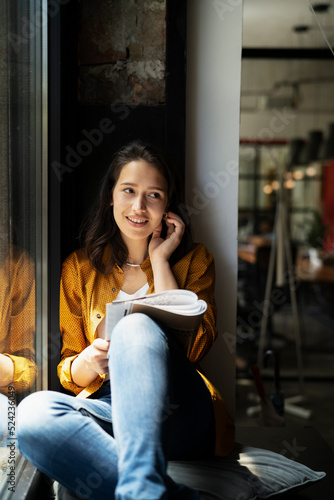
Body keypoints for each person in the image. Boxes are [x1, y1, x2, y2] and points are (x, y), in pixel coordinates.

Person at [17, 140, 234, 500]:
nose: (139, 206)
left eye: (154, 195)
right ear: (110, 198)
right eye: (129, 191)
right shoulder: (79, 268)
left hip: (180, 407)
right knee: (33, 415)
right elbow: (68, 373)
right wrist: (88, 361)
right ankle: (150, 492)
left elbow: (195, 348)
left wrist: (161, 260)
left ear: (168, 207)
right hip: (110, 405)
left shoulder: (195, 260)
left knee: (135, 325)